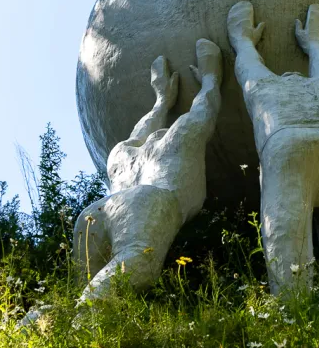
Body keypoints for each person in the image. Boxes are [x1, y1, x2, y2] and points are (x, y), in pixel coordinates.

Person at [227, 0, 319, 299]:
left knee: (288, 248)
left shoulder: (267, 87)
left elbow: (248, 64)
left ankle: (295, 317)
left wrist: (242, 39)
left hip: (289, 147)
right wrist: (314, 42)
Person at [71, 38, 222, 303]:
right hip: (148, 202)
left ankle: (49, 325)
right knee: (115, 281)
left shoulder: (121, 156)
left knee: (80, 295)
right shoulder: (179, 141)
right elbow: (203, 112)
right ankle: (78, 320)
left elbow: (137, 135)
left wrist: (161, 101)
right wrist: (211, 77)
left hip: (96, 211)